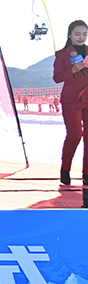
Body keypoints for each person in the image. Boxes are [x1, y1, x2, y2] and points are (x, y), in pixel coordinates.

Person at [53, 19, 88, 189]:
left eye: (84, 34)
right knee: (75, 134)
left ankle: (86, 174)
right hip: (71, 99)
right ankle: (65, 169)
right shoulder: (62, 54)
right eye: (77, 34)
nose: (81, 37)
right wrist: (73, 70)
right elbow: (57, 77)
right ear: (70, 35)